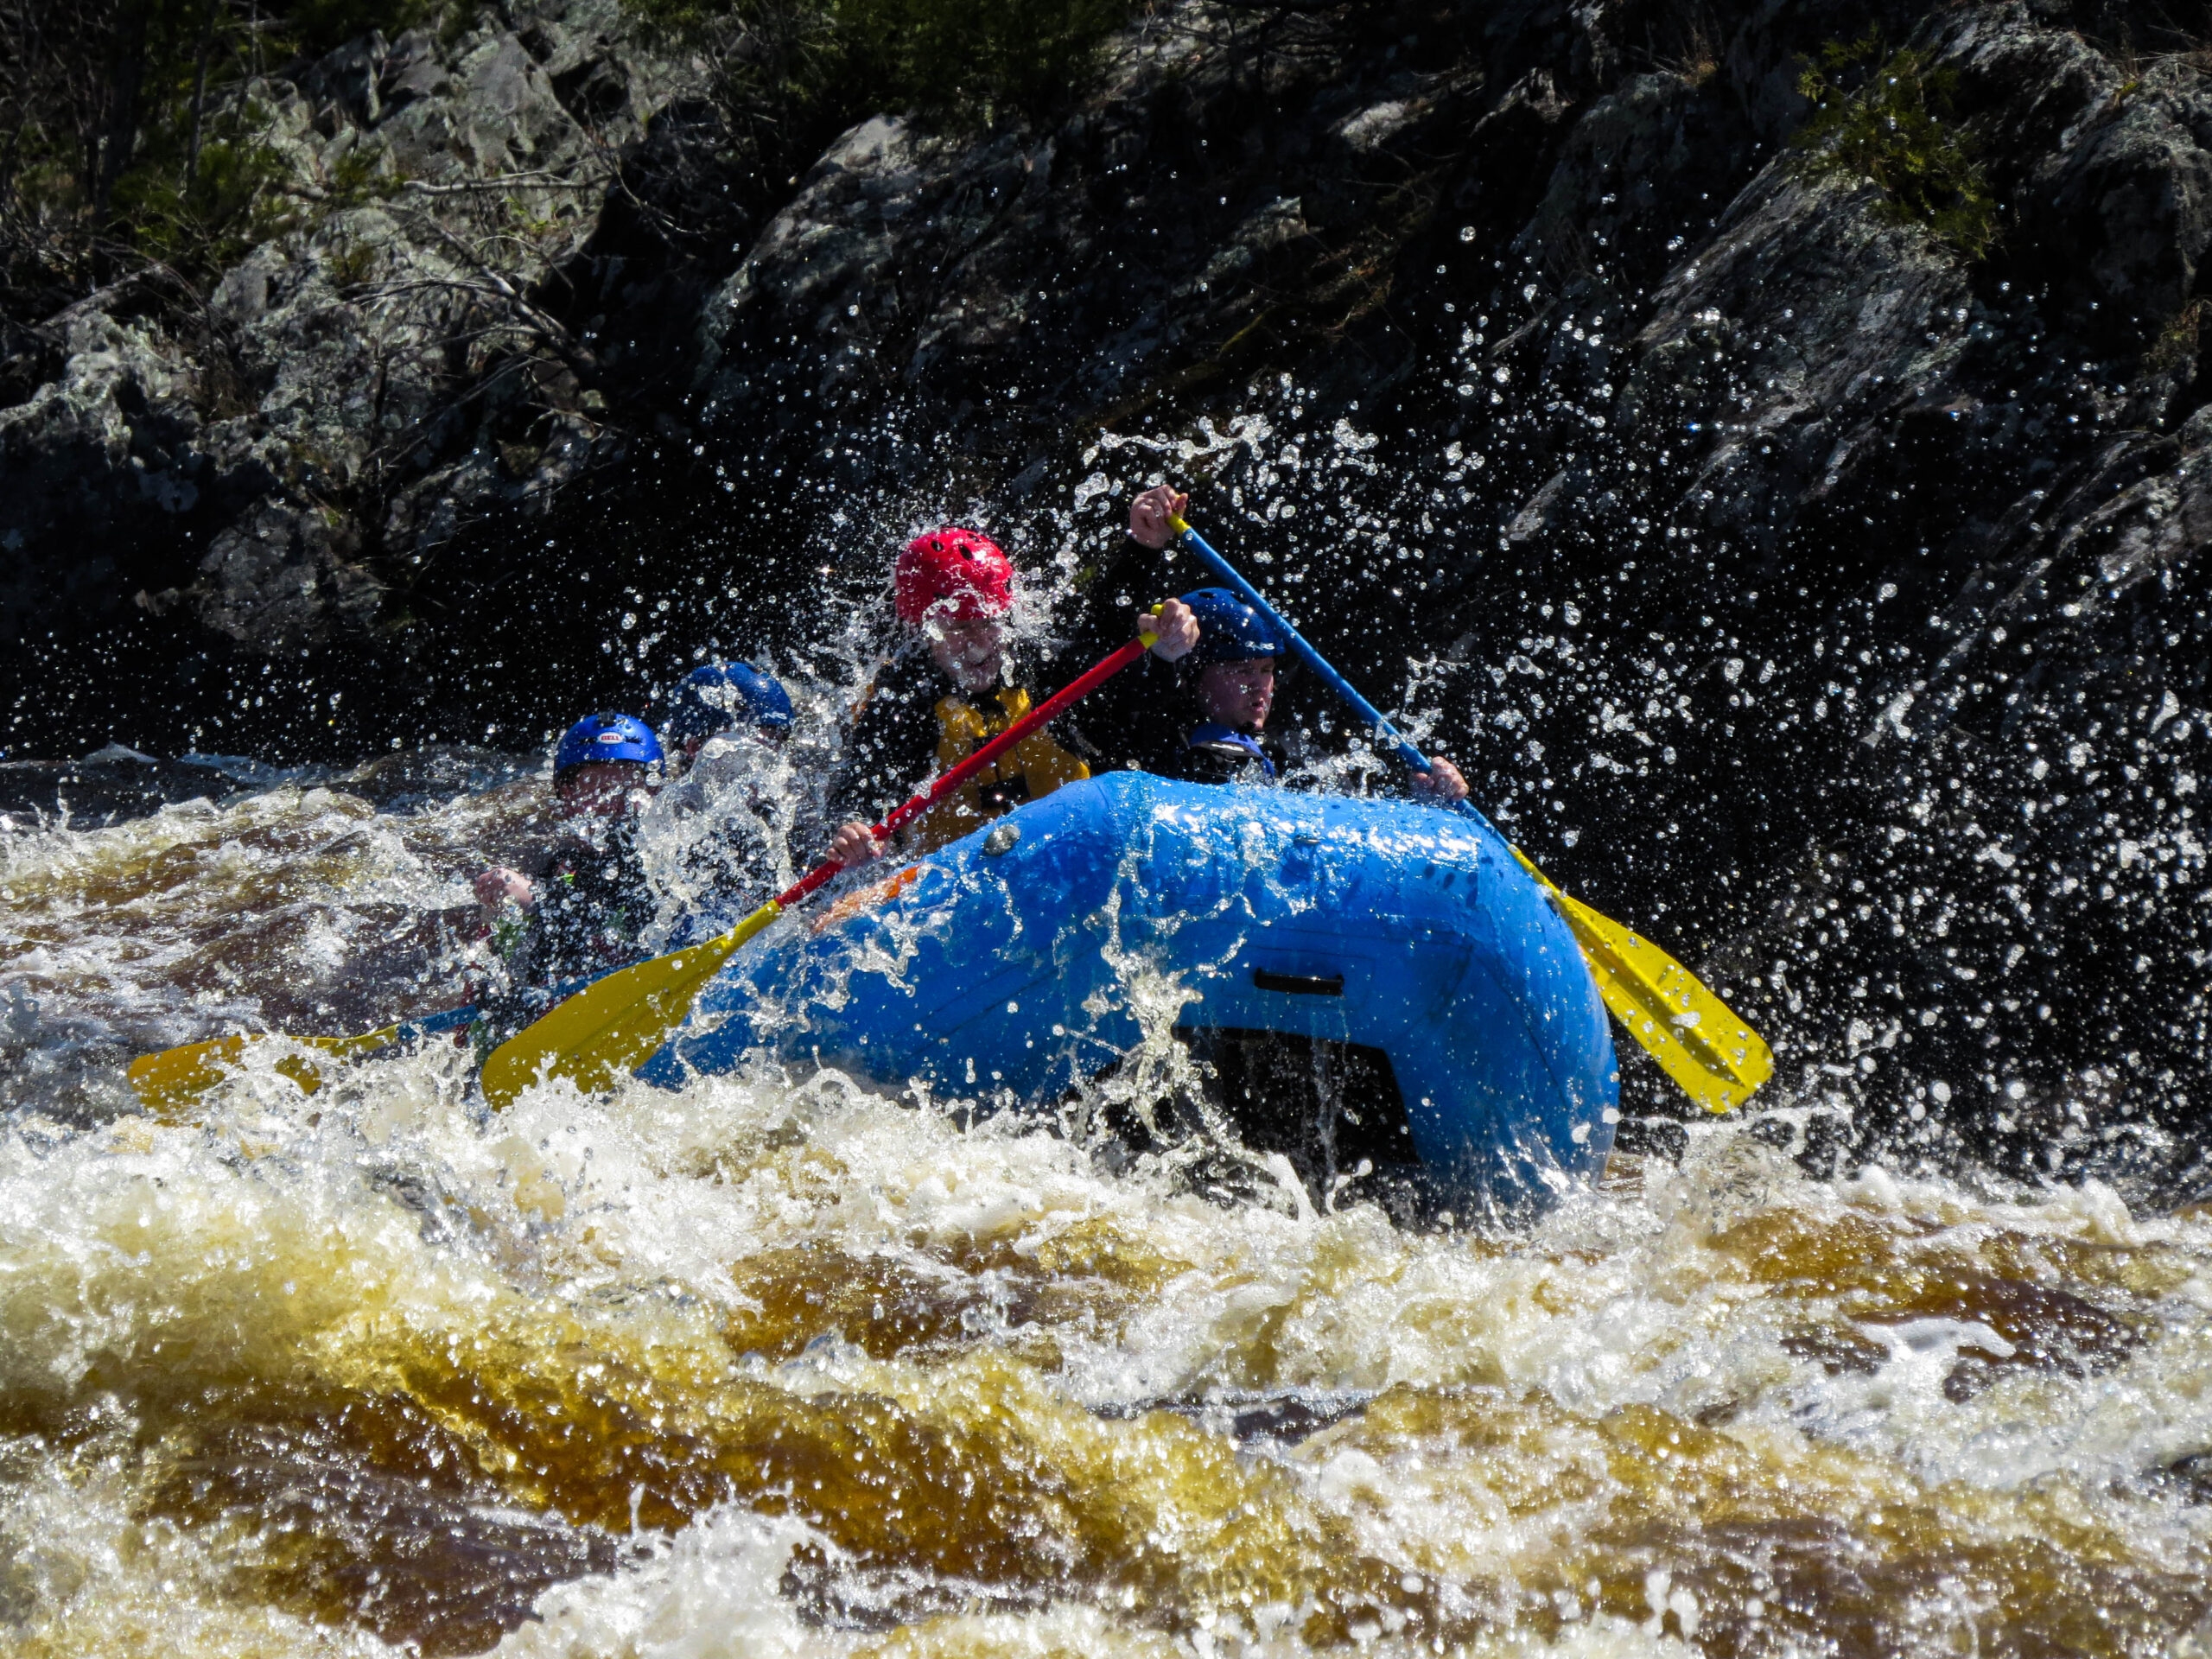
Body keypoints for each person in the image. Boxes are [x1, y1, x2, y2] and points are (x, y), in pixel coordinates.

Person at [824, 526, 1200, 868]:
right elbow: (857, 793)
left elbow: (1127, 690)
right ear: (924, 630)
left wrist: (1165, 654)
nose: (979, 644)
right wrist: (852, 833)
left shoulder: (1041, 667)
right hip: (955, 893)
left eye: (989, 622)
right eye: (958, 628)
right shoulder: (903, 703)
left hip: (1070, 864)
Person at [1126, 485, 1471, 804]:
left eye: (1265, 670)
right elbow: (1128, 695)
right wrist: (1142, 551)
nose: (1259, 686)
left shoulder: (1289, 757)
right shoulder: (1148, 733)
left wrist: (1426, 801)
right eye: (1242, 669)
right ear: (1193, 675)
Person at [473, 712, 663, 995]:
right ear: (567, 795)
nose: (615, 806)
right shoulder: (561, 867)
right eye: (600, 790)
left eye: (629, 790)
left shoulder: (665, 861)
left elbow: (622, 899)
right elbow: (574, 895)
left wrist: (535, 898)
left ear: (655, 791)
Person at [644, 661, 799, 928]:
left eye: (774, 743)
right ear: (695, 747)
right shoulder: (659, 834)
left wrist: (850, 845)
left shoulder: (791, 820)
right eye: (751, 747)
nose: (765, 761)